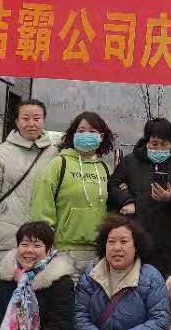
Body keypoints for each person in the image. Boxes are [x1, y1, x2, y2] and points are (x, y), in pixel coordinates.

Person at [0, 99, 61, 274]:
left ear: (44, 121)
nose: (31, 123)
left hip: (42, 242)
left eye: (37, 118)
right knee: (4, 287)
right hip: (5, 242)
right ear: (17, 121)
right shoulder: (1, 153)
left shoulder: (55, 155)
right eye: (25, 118)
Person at [110, 117, 171, 275]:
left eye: (164, 144)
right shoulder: (130, 162)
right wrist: (127, 200)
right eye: (154, 144)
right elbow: (113, 186)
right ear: (147, 142)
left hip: (170, 247)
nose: (159, 149)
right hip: (136, 241)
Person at [29, 111, 114, 273]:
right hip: (63, 252)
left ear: (101, 137)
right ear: (73, 135)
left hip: (98, 253)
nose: (86, 135)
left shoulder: (105, 169)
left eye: (92, 131)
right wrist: (43, 244)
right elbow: (41, 206)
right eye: (81, 131)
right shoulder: (59, 164)